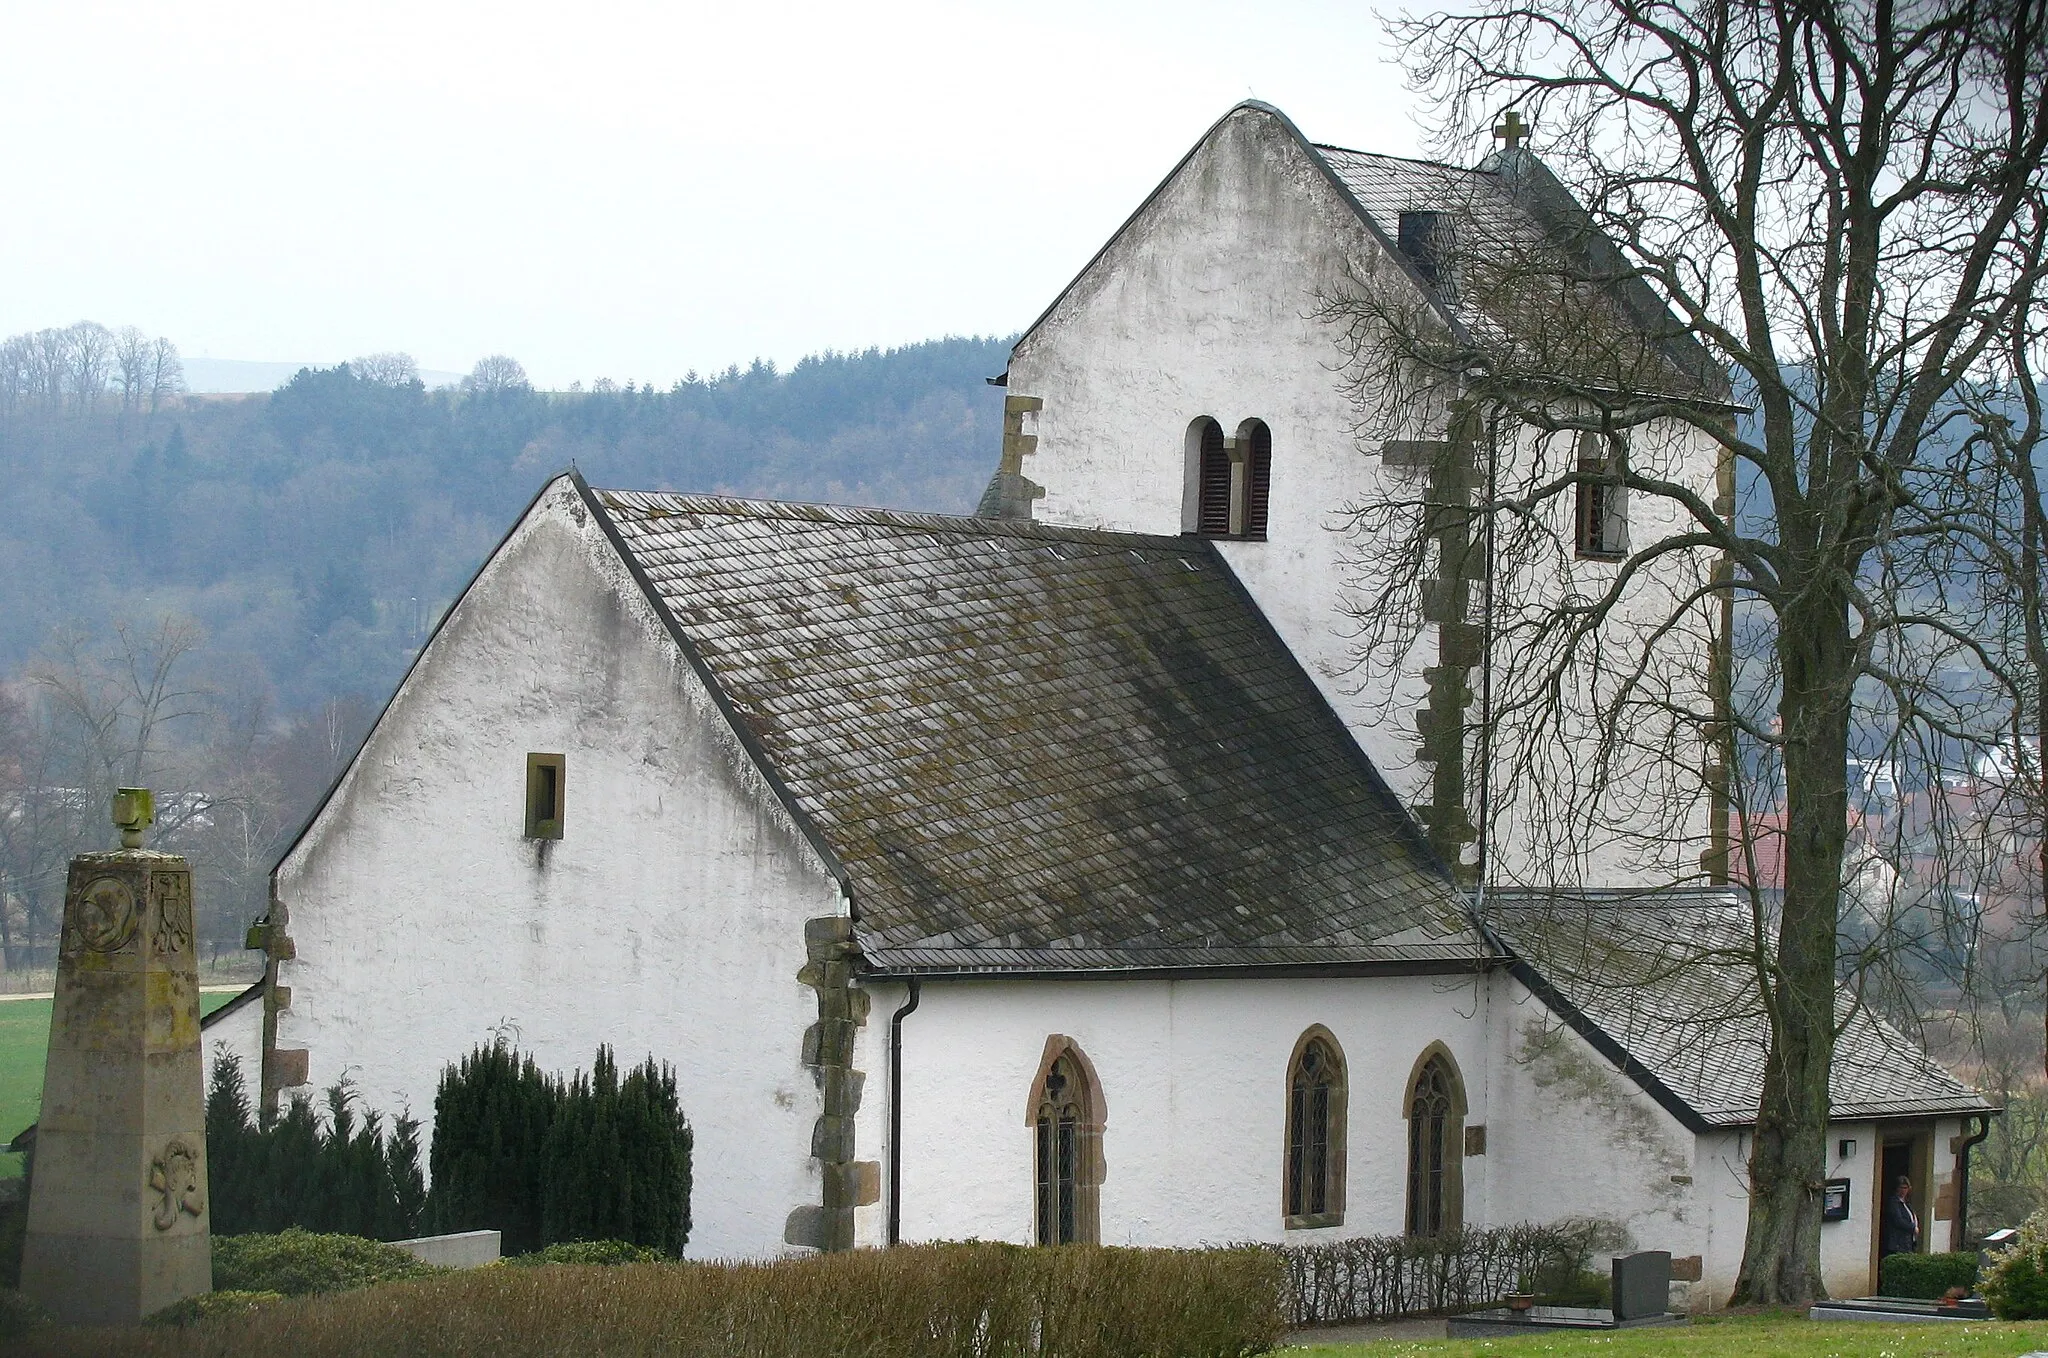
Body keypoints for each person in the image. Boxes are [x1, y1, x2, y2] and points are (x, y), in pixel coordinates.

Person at [1881, 1175, 1920, 1260]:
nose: (1903, 1190)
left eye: (1905, 1188)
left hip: (1907, 1242)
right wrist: (1912, 1228)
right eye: (1901, 1188)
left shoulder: (1906, 1204)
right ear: (1897, 1188)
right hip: (1898, 1243)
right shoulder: (1893, 1202)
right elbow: (1898, 1220)